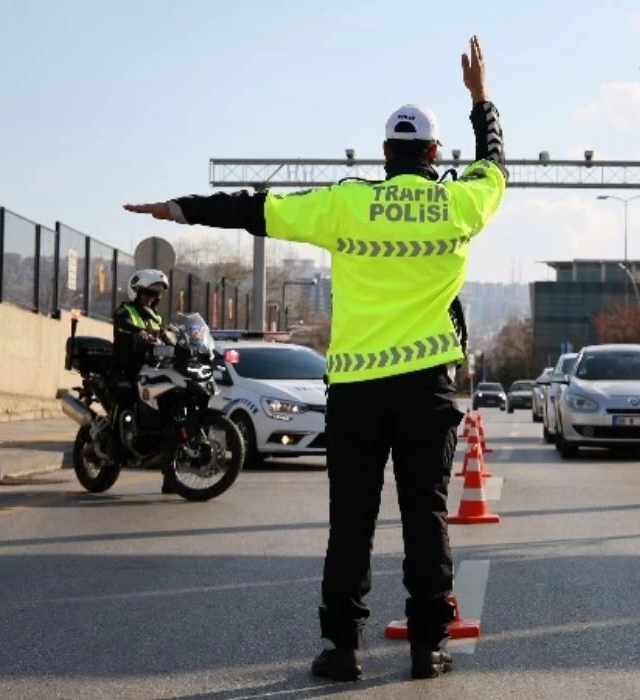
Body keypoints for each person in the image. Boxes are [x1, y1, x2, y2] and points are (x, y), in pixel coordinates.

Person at [123, 35, 506, 681]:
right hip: (426, 388)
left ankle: (341, 649)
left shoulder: (344, 201)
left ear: (386, 154)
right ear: (435, 154)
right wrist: (481, 99)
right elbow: (496, 163)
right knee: (426, 516)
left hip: (356, 389)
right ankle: (427, 647)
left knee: (350, 521)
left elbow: (254, 209)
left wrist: (178, 209)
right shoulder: (461, 201)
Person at [111, 268, 174, 494]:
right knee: (126, 397)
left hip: (151, 372)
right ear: (136, 292)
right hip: (125, 369)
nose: (150, 298)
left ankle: (171, 477)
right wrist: (138, 332)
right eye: (146, 293)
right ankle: (119, 443)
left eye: (154, 295)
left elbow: (166, 337)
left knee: (169, 415)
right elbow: (122, 321)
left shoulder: (156, 317)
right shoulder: (125, 310)